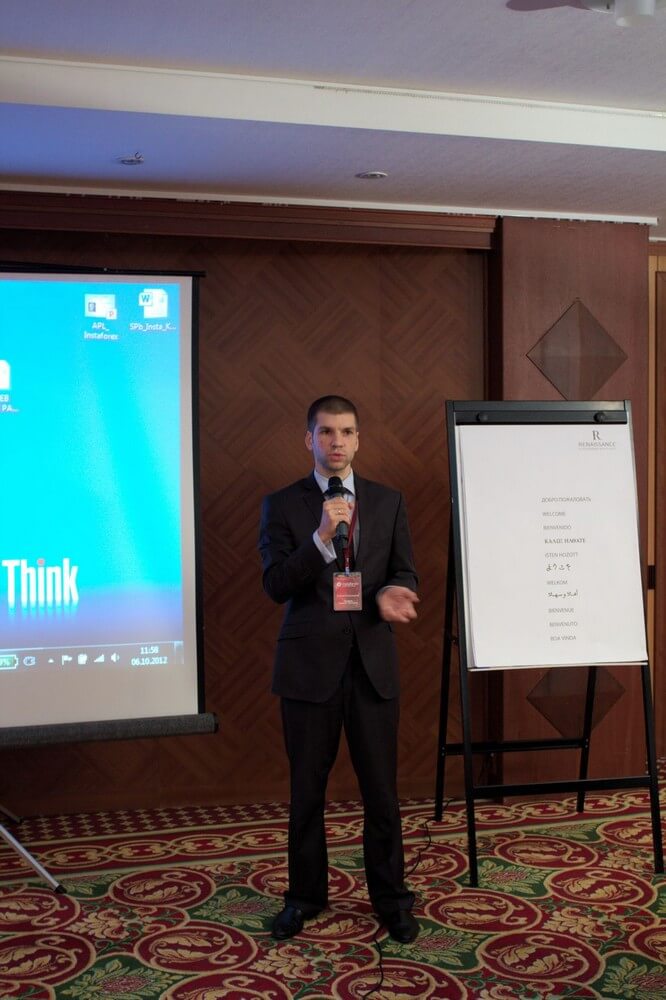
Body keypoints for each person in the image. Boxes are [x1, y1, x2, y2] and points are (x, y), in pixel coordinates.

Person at [258, 395, 420, 943]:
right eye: (326, 432)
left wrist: (393, 592)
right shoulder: (282, 505)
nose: (337, 442)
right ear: (309, 439)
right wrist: (321, 540)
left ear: (358, 440)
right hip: (308, 670)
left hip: (372, 665)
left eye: (347, 432)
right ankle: (304, 896)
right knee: (307, 792)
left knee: (382, 793)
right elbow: (276, 584)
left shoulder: (388, 501)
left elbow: (404, 571)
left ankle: (391, 900)